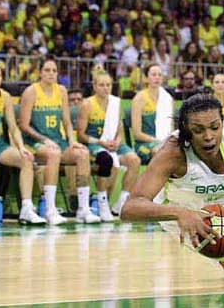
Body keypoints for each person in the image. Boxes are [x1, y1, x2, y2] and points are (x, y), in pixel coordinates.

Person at [121, 94, 224, 287]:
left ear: (223, 123)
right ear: (185, 130)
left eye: (215, 127)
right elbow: (130, 208)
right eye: (198, 130)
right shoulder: (172, 153)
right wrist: (180, 213)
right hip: (191, 216)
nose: (208, 136)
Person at [19, 56, 100, 225]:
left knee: (82, 153)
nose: (51, 73)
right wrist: (44, 140)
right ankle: (50, 210)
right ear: (40, 73)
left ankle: (83, 209)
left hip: (58, 140)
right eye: (47, 70)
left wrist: (72, 141)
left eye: (54, 70)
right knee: (53, 154)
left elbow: (67, 122)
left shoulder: (62, 90)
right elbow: (24, 125)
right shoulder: (31, 91)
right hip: (34, 141)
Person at [76, 71, 141, 220]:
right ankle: (102, 202)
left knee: (134, 160)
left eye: (108, 85)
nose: (106, 88)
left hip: (112, 142)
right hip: (94, 143)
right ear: (94, 86)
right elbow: (81, 135)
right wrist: (100, 142)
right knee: (108, 161)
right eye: (102, 85)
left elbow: (119, 130)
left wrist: (118, 141)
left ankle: (121, 203)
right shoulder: (87, 104)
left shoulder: (115, 103)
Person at [0, 65, 45, 224]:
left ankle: (26, 210)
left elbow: (14, 127)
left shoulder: (5, 96)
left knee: (26, 159)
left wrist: (21, 147)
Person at [131, 64, 175, 164]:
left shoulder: (168, 99)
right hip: (143, 145)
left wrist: (166, 141)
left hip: (164, 143)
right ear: (146, 78)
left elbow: (171, 127)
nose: (157, 77)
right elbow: (137, 134)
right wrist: (158, 140)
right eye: (153, 74)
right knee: (159, 151)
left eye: (159, 75)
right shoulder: (139, 99)